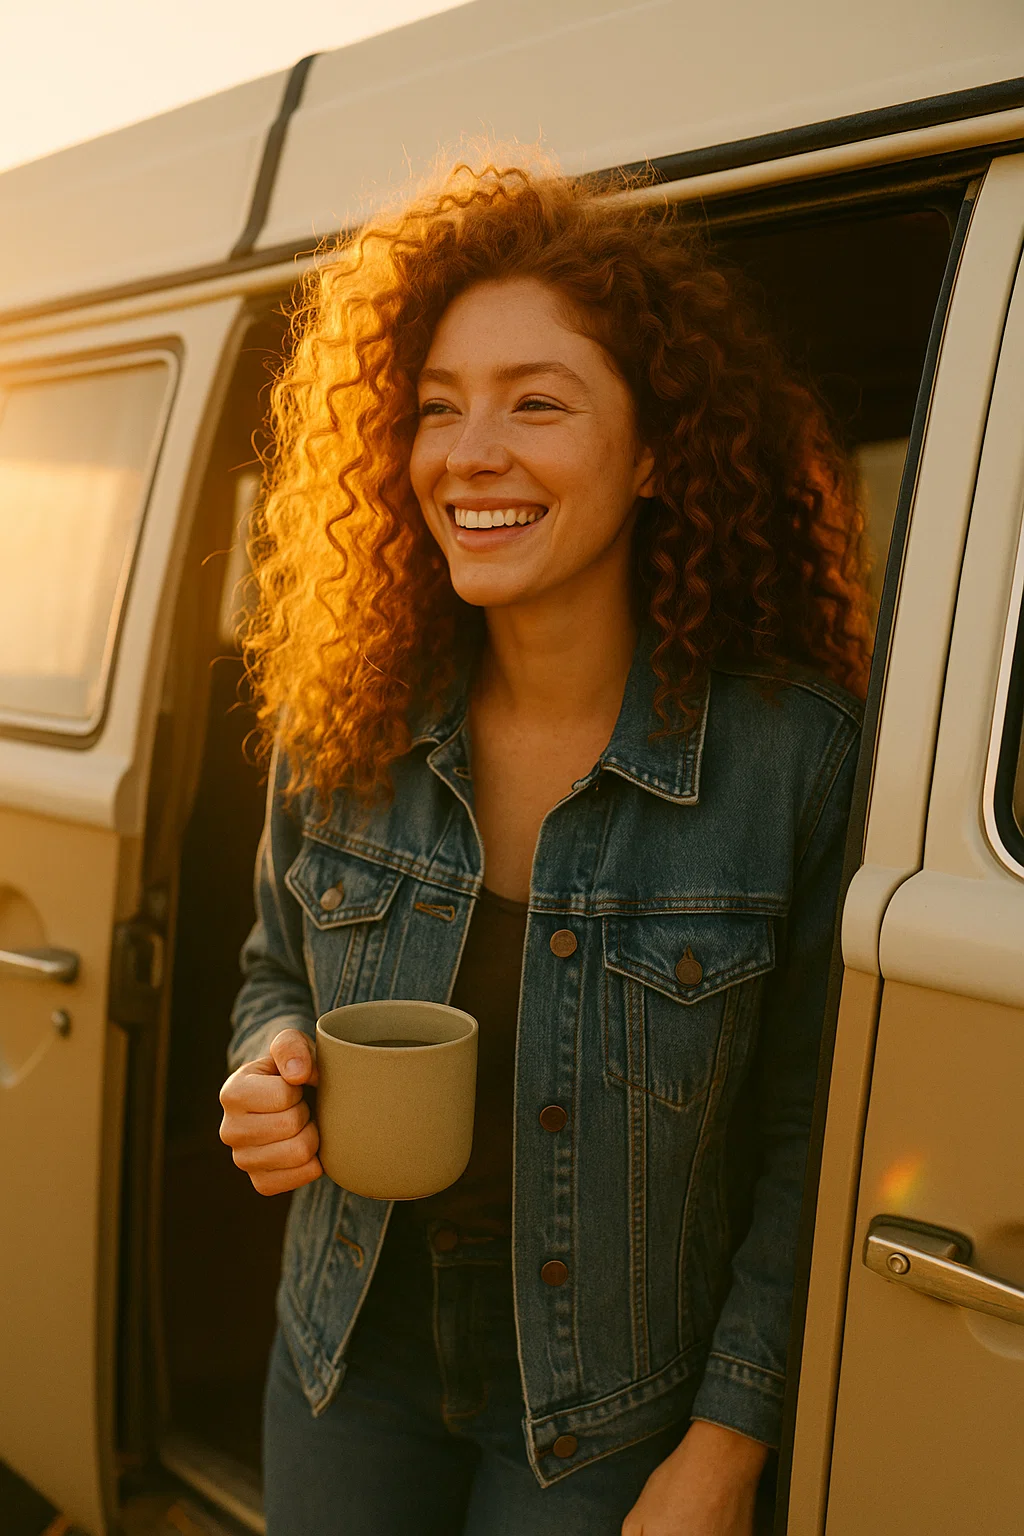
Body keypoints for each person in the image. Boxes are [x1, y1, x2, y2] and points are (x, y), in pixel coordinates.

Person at [218, 161, 870, 1535]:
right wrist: (268, 1068)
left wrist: (725, 1448)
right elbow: (274, 967)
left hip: (610, 1407)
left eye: (537, 402)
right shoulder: (346, 719)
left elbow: (813, 1144)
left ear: (651, 455)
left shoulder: (794, 758)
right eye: (439, 408)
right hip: (349, 1357)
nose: (470, 452)